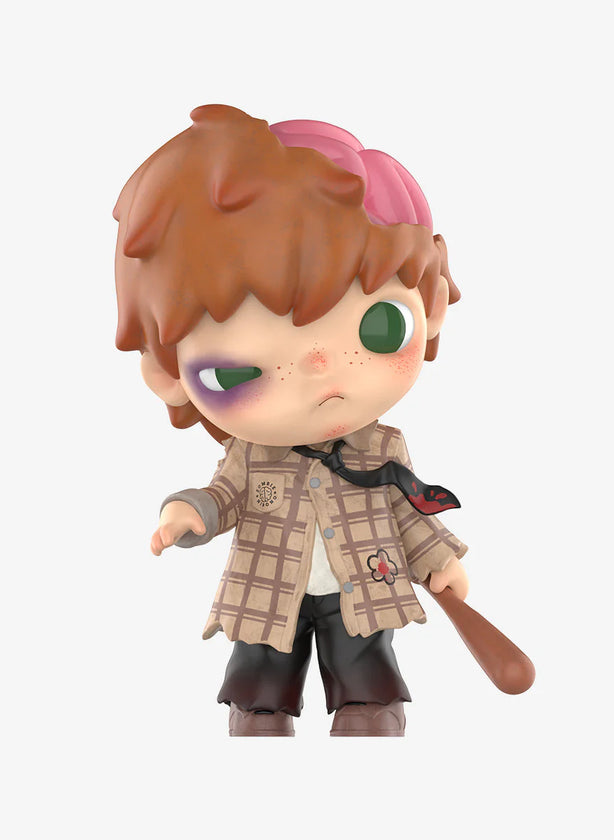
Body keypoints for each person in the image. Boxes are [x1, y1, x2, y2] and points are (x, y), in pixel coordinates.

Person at [113, 104, 469, 736]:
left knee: (369, 686)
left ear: (433, 302)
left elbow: (406, 508)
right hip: (266, 592)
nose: (321, 370)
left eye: (380, 328)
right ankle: (260, 725)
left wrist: (438, 559)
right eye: (241, 371)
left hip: (364, 588)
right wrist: (189, 513)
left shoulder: (382, 446)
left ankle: (369, 722)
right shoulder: (251, 455)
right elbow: (223, 496)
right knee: (259, 694)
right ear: (170, 375)